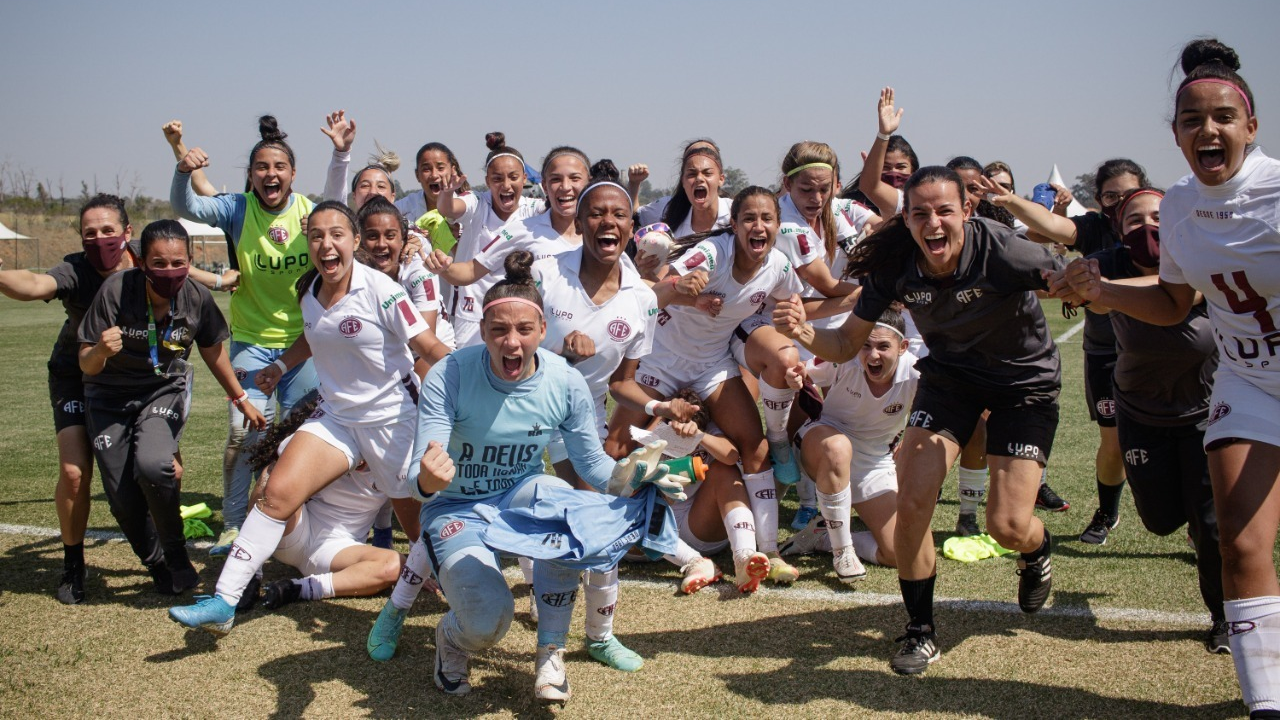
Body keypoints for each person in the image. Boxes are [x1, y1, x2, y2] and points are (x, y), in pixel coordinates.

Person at [1050, 38, 1279, 719]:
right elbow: (1175, 302)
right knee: (1237, 540)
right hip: (1249, 383)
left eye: (1222, 118)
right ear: (1177, 136)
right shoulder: (1177, 205)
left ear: (1250, 127)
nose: (1207, 130)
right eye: (1190, 121)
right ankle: (1265, 701)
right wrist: (1106, 293)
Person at [776, 166, 1065, 676]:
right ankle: (920, 630)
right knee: (912, 502)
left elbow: (1064, 277)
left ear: (967, 212)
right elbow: (844, 344)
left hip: (1023, 386)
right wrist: (803, 332)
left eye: (944, 211)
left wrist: (1080, 285)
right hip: (951, 381)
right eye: (920, 213)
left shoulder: (1002, 250)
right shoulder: (898, 266)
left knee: (1008, 524)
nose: (933, 223)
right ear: (905, 219)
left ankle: (1037, 549)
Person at [401, 251, 682, 704]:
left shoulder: (564, 380)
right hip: (456, 507)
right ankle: (452, 641)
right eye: (499, 331)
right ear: (483, 332)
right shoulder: (448, 375)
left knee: (565, 506)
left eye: (524, 330)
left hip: (519, 492)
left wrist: (637, 477)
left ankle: (551, 651)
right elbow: (419, 476)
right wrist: (430, 479)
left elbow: (592, 467)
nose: (512, 343)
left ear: (542, 332)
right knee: (488, 621)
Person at [168, 201, 442, 636]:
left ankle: (449, 588)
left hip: (393, 423)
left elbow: (426, 345)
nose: (326, 243)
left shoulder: (383, 291)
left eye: (337, 234)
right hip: (336, 418)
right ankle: (225, 600)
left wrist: (476, 376)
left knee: (423, 527)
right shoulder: (309, 289)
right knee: (276, 492)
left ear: (354, 241)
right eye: (316, 235)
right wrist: (281, 365)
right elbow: (315, 335)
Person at [616, 186, 806, 584]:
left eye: (766, 219)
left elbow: (793, 300)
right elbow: (648, 293)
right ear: (733, 225)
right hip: (663, 361)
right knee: (617, 450)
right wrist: (682, 292)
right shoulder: (712, 254)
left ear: (777, 225)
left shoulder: (780, 266)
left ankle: (767, 551)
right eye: (749, 219)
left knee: (755, 448)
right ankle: (614, 536)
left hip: (711, 364)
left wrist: (792, 316)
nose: (758, 226)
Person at [1073, 187, 1229, 652]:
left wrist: (1101, 289)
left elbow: (1182, 293)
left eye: (1158, 217)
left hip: (1206, 412)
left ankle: (1223, 617)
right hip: (1139, 411)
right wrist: (1087, 285)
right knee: (1161, 521)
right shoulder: (1112, 264)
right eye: (1134, 221)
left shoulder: (1200, 258)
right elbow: (1097, 302)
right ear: (1120, 232)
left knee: (1210, 526)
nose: (1148, 229)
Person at [78, 219, 265, 594]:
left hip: (162, 391)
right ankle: (156, 562)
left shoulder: (196, 297)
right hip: (108, 398)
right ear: (142, 262)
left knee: (153, 465)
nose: (169, 271)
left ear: (190, 260)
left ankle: (177, 557)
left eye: (177, 262)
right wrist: (100, 350)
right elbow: (85, 362)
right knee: (122, 499)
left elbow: (213, 352)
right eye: (158, 264)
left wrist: (241, 398)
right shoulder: (116, 290)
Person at [170, 115, 322, 556]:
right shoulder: (237, 208)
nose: (270, 174)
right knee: (244, 434)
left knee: (300, 439)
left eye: (278, 167)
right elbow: (188, 209)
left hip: (304, 345)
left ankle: (291, 521)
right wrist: (182, 169)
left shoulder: (309, 213)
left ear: (292, 174)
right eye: (261, 167)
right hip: (252, 342)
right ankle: (234, 525)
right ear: (251, 175)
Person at [981, 157, 1153, 543]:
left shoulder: (1163, 226)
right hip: (1107, 348)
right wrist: (1010, 200)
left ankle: (1197, 517)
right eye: (1110, 196)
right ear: (1098, 198)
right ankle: (1107, 513)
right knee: (1113, 441)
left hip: (1159, 351)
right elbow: (1052, 227)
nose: (1119, 204)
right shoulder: (1095, 227)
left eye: (1127, 195)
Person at [0, 194, 139, 603]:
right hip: (74, 374)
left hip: (127, 381)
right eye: (89, 233)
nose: (100, 240)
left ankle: (162, 550)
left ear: (127, 233)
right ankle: (73, 565)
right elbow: (34, 285)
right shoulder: (75, 269)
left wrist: (220, 281)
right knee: (76, 474)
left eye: (108, 231)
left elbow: (184, 272)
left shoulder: (146, 263)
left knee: (159, 467)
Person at [779, 308, 916, 581]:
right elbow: (804, 372)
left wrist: (910, 439)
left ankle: (824, 537)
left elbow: (936, 414)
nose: (872, 355)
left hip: (874, 461)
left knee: (901, 553)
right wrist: (794, 377)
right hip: (822, 442)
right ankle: (843, 552)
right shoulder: (844, 359)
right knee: (839, 447)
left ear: (902, 348)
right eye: (866, 345)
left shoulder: (916, 373)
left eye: (883, 347)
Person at [239, 393, 404, 610]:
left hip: (338, 549)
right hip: (295, 529)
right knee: (273, 476)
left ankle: (298, 588)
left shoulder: (399, 453)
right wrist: (343, 460)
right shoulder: (331, 435)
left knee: (395, 564)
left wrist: (415, 571)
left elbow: (391, 506)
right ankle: (249, 574)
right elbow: (285, 457)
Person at [649, 388, 772, 594]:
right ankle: (696, 563)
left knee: (725, 471)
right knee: (633, 500)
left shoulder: (704, 427)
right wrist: (663, 417)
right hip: (657, 524)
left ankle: (743, 556)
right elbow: (634, 452)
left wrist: (698, 435)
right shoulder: (656, 429)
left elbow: (731, 455)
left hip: (698, 523)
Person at [433, 133, 543, 348]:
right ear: (487, 182)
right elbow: (449, 208)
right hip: (472, 311)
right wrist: (446, 193)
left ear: (524, 179)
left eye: (513, 177)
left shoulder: (535, 209)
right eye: (497, 179)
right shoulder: (477, 202)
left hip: (517, 313)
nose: (506, 185)